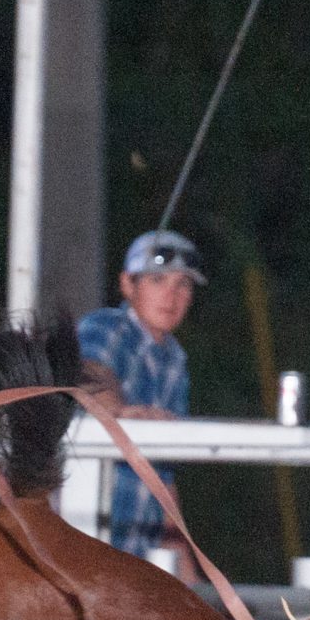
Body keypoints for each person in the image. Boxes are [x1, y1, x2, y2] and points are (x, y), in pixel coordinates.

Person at [77, 230, 202, 556]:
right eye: (157, 280)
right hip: (79, 540)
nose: (171, 295)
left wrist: (187, 571)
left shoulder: (175, 360)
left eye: (183, 285)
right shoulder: (106, 326)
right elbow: (90, 372)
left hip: (137, 555)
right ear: (127, 285)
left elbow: (165, 478)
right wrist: (117, 411)